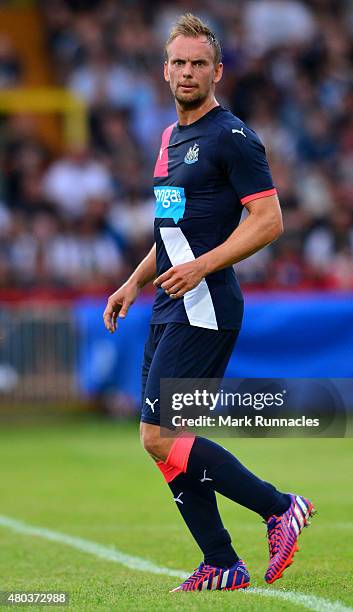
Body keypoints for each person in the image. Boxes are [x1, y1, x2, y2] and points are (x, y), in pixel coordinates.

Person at [103, 13, 315, 592]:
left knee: (158, 436)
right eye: (179, 62)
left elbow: (269, 220)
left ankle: (280, 507)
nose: (188, 71)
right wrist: (133, 282)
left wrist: (206, 262)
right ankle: (222, 564)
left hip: (206, 302)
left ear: (218, 71)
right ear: (165, 70)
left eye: (200, 63)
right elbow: (169, 228)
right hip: (171, 300)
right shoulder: (171, 140)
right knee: (170, 447)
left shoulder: (233, 136)